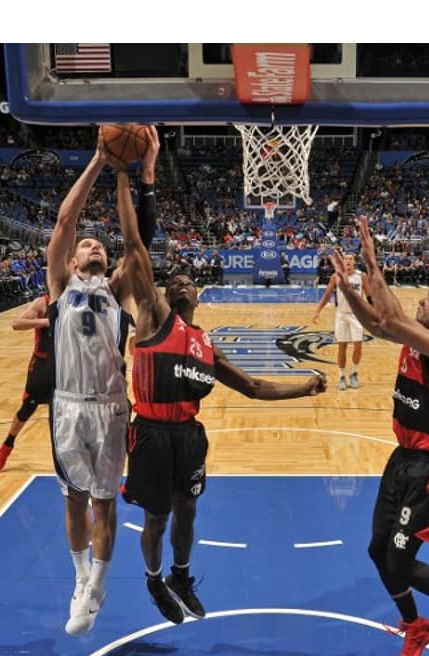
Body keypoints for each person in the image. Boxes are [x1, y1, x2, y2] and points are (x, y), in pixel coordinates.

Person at [109, 153, 326, 625]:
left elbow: (252, 386)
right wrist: (126, 177)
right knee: (156, 518)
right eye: (175, 280)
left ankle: (181, 576)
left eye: (190, 281)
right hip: (148, 433)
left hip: (188, 435)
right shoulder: (152, 315)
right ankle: (153, 580)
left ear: (199, 294)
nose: (183, 282)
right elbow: (132, 244)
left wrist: (304, 388)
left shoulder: (205, 343)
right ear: (163, 292)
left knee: (187, 514)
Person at [329, 215, 429, 656]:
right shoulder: (419, 338)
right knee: (380, 553)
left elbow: (390, 316)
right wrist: (349, 285)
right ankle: (416, 625)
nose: (423, 300)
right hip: (402, 461)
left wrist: (370, 264)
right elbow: (379, 324)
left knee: (397, 560)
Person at [46, 125, 157, 637]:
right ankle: (78, 579)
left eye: (98, 244)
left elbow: (138, 243)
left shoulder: (122, 293)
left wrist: (134, 175)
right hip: (67, 406)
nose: (90, 243)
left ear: (106, 263)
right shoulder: (60, 288)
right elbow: (67, 218)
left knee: (104, 503)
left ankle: (100, 585)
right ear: (70, 261)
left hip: (112, 407)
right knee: (73, 500)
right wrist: (98, 159)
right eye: (83, 244)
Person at [0, 293, 52, 471]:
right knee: (27, 408)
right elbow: (16, 324)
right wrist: (44, 322)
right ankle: (8, 444)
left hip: (65, 364)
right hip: (42, 363)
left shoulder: (76, 300)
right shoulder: (43, 303)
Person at [312, 249, 370, 390]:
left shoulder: (361, 276)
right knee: (342, 346)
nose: (348, 261)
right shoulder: (336, 277)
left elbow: (369, 296)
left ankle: (354, 372)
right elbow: (327, 295)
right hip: (342, 314)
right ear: (342, 262)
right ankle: (342, 376)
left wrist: (375, 312)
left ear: (354, 262)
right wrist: (318, 311)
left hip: (357, 315)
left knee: (358, 344)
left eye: (351, 259)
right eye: (346, 259)